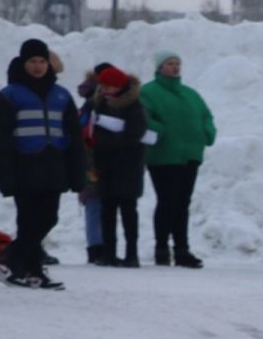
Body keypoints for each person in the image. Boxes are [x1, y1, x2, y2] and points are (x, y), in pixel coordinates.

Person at [0, 38, 85, 289]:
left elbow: (74, 138)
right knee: (29, 220)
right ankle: (27, 269)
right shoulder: (9, 96)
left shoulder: (61, 96)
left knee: (48, 218)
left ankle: (15, 260)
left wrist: (77, 174)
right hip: (24, 167)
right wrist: (5, 177)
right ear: (24, 63)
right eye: (33, 61)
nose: (38, 66)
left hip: (53, 166)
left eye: (42, 61)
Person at [139, 51, 216, 268]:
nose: (175, 67)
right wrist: (160, 130)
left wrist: (207, 132)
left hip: (190, 155)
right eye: (170, 64)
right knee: (167, 202)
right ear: (159, 68)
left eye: (177, 64)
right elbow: (143, 117)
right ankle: (161, 248)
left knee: (182, 203)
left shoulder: (190, 94)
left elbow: (206, 115)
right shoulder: (149, 92)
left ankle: (182, 250)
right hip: (164, 156)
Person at [88, 65, 151, 268]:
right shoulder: (100, 104)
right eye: (103, 86)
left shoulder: (134, 107)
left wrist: (105, 139)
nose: (105, 90)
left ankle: (132, 254)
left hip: (128, 167)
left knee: (128, 212)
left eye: (109, 86)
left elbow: (134, 136)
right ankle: (109, 253)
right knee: (107, 210)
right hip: (106, 167)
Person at [76, 62, 109, 264]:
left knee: (104, 203)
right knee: (94, 202)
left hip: (107, 158)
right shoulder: (90, 104)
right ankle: (96, 246)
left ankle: (103, 245)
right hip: (90, 158)